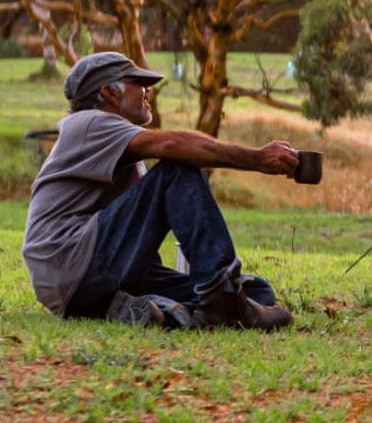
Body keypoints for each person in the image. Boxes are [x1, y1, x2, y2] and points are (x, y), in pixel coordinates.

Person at [20, 51, 302, 330]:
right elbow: (171, 145)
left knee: (257, 292)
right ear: (109, 93)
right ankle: (221, 298)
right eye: (138, 83)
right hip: (72, 264)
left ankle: (143, 309)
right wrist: (257, 159)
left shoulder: (115, 138)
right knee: (177, 168)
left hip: (88, 279)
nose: (148, 90)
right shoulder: (88, 123)